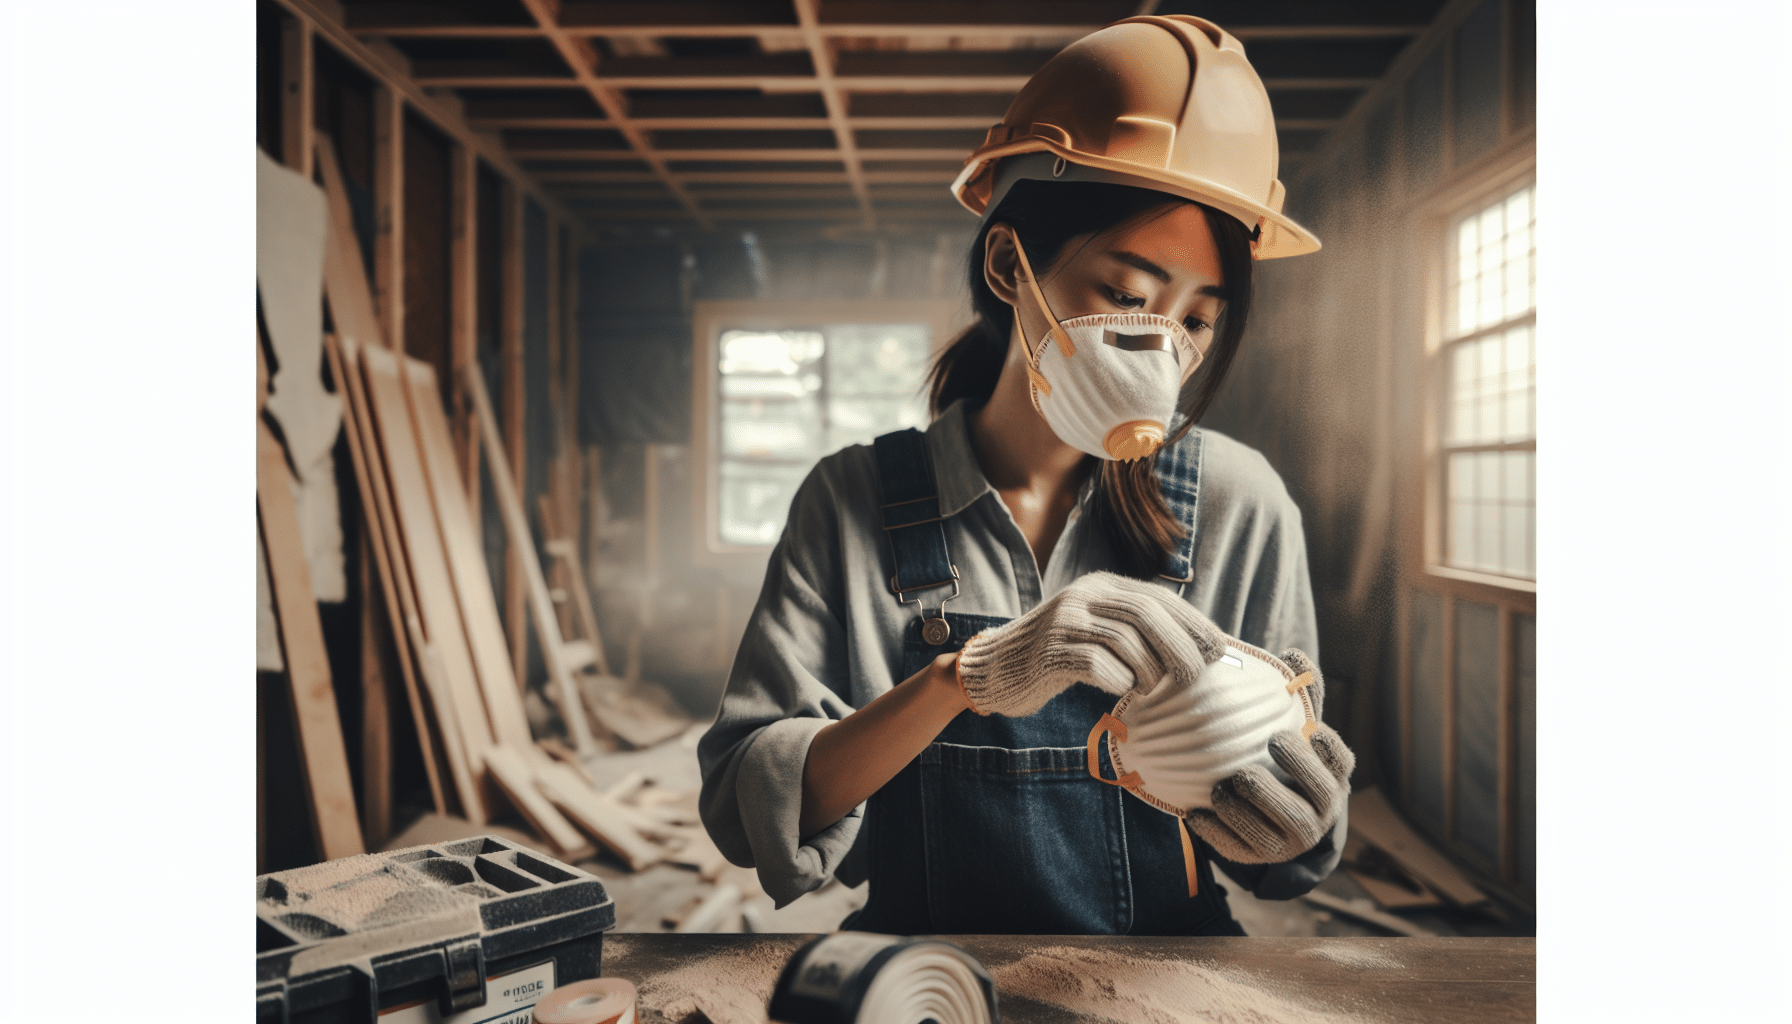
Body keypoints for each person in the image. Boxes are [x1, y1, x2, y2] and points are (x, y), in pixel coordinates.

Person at [698, 15, 1355, 935]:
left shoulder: (1241, 504)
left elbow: (1295, 866)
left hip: (1166, 981)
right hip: (929, 973)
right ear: (1011, 263)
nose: (1158, 349)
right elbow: (743, 808)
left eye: (1195, 319)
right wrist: (968, 677)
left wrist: (1289, 812)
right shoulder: (852, 501)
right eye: (1125, 297)